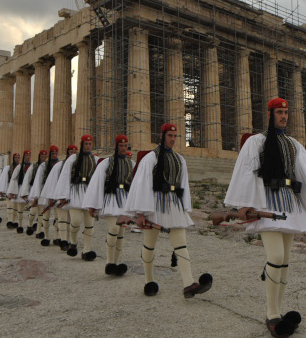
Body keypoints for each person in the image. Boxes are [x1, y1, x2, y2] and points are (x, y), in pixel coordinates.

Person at [224, 97, 306, 338]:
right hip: (266, 203)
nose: (284, 116)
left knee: (285, 260)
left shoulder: (293, 144)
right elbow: (246, 172)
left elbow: (303, 173)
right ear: (270, 114)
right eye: (279, 112)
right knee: (276, 256)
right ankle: (270, 313)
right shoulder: (256, 142)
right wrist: (244, 204)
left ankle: (278, 309)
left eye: (286, 112)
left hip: (289, 205)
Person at [124, 123, 212, 298]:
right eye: (170, 135)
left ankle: (189, 283)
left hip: (173, 205)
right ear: (163, 135)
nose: (173, 139)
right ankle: (149, 281)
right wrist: (140, 213)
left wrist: (185, 207)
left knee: (181, 244)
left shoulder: (180, 159)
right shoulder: (150, 158)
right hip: (153, 205)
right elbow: (142, 185)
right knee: (149, 245)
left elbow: (184, 184)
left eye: (175, 136)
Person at [84, 134, 134, 274]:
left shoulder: (132, 164)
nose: (123, 148)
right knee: (114, 228)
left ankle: (116, 263)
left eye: (125, 146)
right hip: (112, 199)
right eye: (121, 146)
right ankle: (109, 262)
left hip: (124, 199)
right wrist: (93, 204)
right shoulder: (107, 162)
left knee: (121, 233)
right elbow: (97, 183)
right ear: (116, 146)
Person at [54, 135, 99, 260]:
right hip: (75, 193)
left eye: (90, 144)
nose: (88, 146)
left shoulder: (96, 160)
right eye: (86, 144)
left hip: (89, 193)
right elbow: (65, 177)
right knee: (76, 221)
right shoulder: (73, 159)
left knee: (90, 224)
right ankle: (73, 242)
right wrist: (63, 196)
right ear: (82, 144)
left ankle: (86, 250)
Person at [29, 146, 61, 244]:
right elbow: (38, 181)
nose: (54, 155)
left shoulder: (60, 165)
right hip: (45, 191)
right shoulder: (43, 166)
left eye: (56, 154)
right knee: (45, 216)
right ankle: (46, 236)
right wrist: (36, 197)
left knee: (57, 217)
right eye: (53, 154)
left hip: (56, 192)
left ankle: (56, 237)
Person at [21, 150, 48, 236]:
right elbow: (27, 179)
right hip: (34, 189)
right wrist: (24, 192)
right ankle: (29, 224)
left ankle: (39, 231)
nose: (43, 159)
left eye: (45, 157)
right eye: (42, 157)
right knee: (33, 210)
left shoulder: (48, 166)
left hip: (43, 190)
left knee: (41, 212)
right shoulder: (34, 166)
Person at [7, 150, 32, 233]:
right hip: (21, 188)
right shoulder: (19, 167)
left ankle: (30, 224)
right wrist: (12, 191)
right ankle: (20, 225)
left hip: (30, 188)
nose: (28, 157)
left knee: (32, 208)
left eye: (29, 155)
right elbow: (14, 179)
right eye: (26, 155)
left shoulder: (32, 166)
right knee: (20, 208)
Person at [0, 152, 21, 229]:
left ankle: (14, 221)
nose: (17, 159)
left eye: (18, 157)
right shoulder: (8, 168)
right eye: (15, 157)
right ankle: (9, 221)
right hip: (9, 187)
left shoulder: (21, 167)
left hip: (18, 188)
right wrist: (2, 190)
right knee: (10, 205)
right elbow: (4, 179)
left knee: (16, 207)